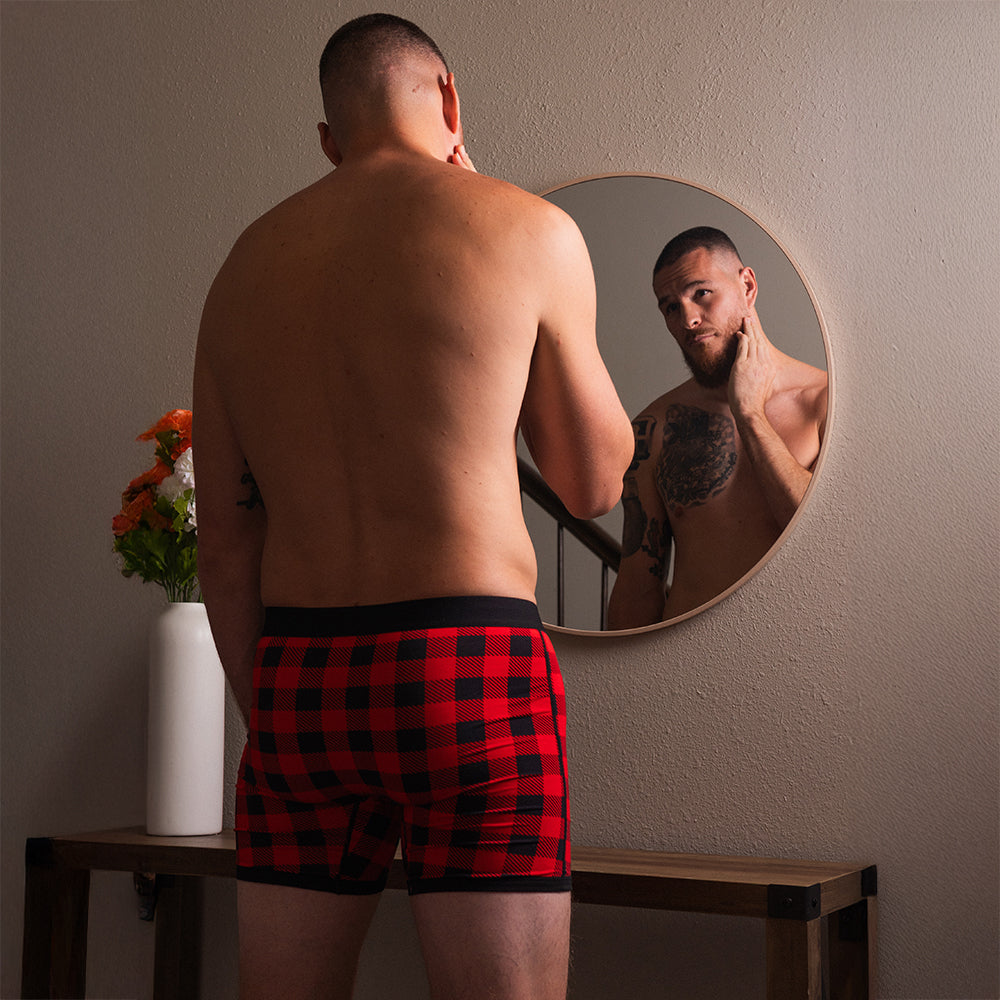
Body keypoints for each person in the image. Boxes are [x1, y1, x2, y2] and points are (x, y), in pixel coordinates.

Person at [193, 14, 633, 1000]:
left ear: (326, 139)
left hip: (299, 671)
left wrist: (270, 717)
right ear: (448, 99)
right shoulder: (522, 226)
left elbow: (224, 541)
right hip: (463, 662)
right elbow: (594, 484)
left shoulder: (243, 267)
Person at [607, 226, 828, 630]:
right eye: (670, 307)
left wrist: (749, 414)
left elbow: (823, 547)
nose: (688, 318)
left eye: (701, 293)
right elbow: (638, 588)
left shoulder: (824, 402)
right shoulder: (653, 430)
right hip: (691, 671)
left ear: (746, 285)